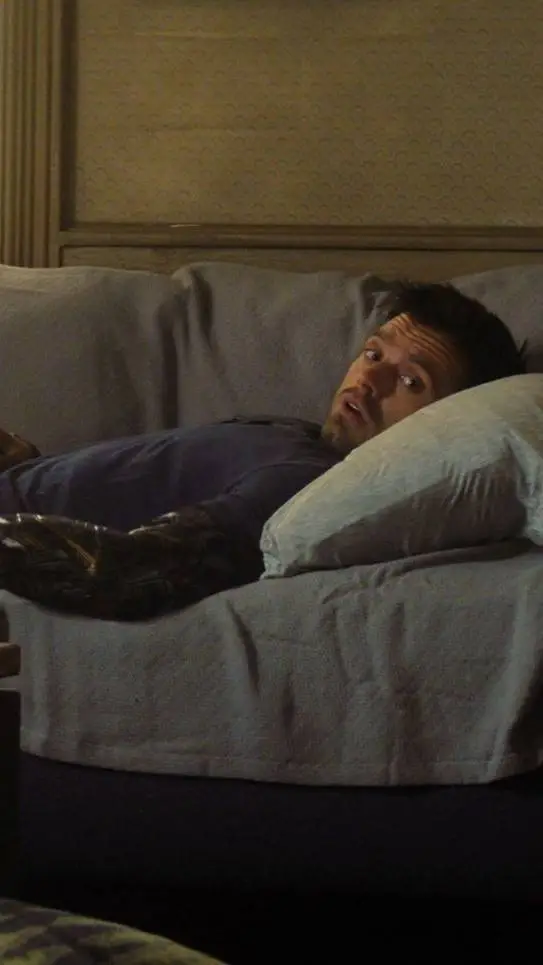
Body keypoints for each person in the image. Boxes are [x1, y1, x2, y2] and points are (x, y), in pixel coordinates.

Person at [0, 281, 526, 621]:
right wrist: (30, 461)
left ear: (445, 420)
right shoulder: (295, 436)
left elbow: (128, 570)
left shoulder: (305, 484)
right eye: (373, 354)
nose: (369, 380)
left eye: (411, 381)